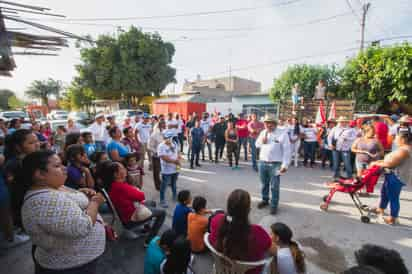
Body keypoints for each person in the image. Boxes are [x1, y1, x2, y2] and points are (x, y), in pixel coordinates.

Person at [19, 150, 106, 273]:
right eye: (57, 166)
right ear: (40, 174)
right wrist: (95, 203)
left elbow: (66, 202)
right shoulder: (44, 201)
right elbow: (82, 226)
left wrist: (81, 193)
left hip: (76, 261)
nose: (64, 168)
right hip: (70, 266)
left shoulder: (53, 186)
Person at [100, 160, 165, 246]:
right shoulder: (121, 186)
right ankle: (149, 240)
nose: (125, 169)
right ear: (116, 174)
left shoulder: (112, 185)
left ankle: (146, 228)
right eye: (122, 168)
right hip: (130, 219)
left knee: (152, 203)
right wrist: (133, 188)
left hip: (126, 214)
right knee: (162, 213)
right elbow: (141, 196)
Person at [209, 189, 273, 274]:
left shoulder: (216, 220)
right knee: (270, 220)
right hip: (249, 271)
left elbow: (212, 238)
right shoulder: (257, 232)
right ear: (248, 210)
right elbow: (274, 251)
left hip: (223, 269)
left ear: (228, 207)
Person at [369, 128, 412, 224]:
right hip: (392, 175)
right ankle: (381, 209)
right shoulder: (403, 148)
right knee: (385, 193)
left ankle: (393, 218)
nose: (395, 139)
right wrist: (379, 162)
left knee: (393, 197)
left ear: (403, 139)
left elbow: (391, 164)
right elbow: (389, 162)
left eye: (397, 137)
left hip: (397, 176)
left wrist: (377, 164)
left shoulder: (404, 150)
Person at [256, 115, 291, 215]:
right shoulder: (263, 132)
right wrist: (262, 141)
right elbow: (256, 145)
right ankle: (265, 200)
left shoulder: (282, 134)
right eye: (266, 123)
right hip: (262, 163)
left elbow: (287, 151)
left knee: (274, 186)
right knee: (263, 184)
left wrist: (285, 165)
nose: (268, 125)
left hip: (276, 164)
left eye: (271, 123)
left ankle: (274, 205)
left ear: (275, 124)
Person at [328, 116, 357, 180]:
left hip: (345, 149)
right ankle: (336, 176)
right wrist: (330, 145)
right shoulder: (335, 129)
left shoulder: (351, 129)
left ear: (347, 122)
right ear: (339, 122)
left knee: (347, 164)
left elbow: (355, 138)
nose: (343, 123)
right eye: (341, 122)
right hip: (336, 148)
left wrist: (347, 138)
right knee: (336, 163)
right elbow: (329, 137)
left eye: (344, 122)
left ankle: (350, 177)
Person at [158, 130, 181, 208]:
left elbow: (178, 152)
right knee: (164, 185)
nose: (169, 139)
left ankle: (175, 196)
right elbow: (164, 158)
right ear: (164, 137)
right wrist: (175, 161)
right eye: (167, 137)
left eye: (170, 137)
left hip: (175, 168)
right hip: (166, 170)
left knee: (174, 183)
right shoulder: (161, 146)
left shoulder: (174, 143)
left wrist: (178, 158)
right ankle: (162, 200)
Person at [149, 120, 166, 191]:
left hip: (164, 156)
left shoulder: (165, 133)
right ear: (159, 125)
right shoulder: (154, 134)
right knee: (156, 172)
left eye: (165, 124)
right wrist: (157, 152)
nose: (165, 126)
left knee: (163, 170)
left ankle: (163, 183)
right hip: (156, 156)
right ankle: (157, 186)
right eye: (164, 124)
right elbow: (149, 146)